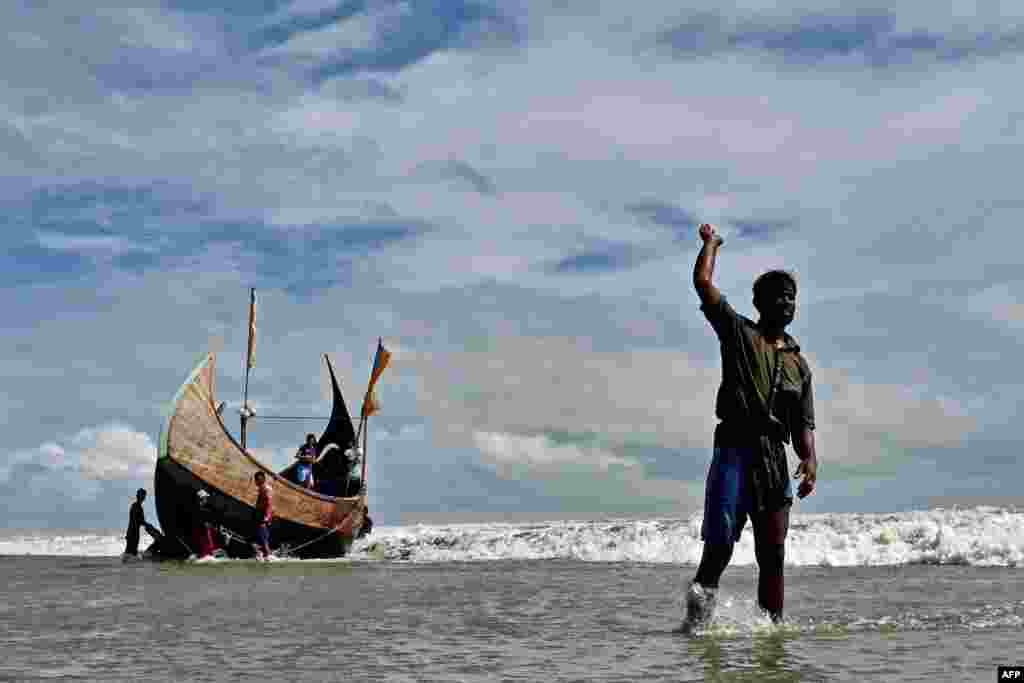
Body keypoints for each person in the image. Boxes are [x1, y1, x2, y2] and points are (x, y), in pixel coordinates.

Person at [683, 222, 818, 630]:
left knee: (773, 554)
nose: (786, 302)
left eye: (791, 297)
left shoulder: (799, 364)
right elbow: (703, 283)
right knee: (719, 547)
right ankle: (696, 627)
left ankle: (772, 631)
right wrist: (711, 244)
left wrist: (810, 460)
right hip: (734, 453)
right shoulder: (739, 334)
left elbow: (803, 423)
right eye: (778, 296)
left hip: (774, 462)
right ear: (759, 302)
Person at [124, 488, 158, 557]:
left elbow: (139, 520)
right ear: (140, 496)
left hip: (133, 532)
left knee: (131, 552)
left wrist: (146, 524)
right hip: (133, 533)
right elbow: (138, 520)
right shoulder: (136, 506)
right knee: (130, 552)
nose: (144, 497)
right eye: (143, 495)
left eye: (144, 495)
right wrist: (147, 524)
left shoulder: (137, 506)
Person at [191, 489, 220, 559]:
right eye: (206, 498)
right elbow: (202, 522)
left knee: (207, 548)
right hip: (203, 532)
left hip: (202, 531)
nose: (206, 500)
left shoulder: (199, 508)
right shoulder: (200, 509)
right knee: (208, 548)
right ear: (202, 498)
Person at [252, 471, 273, 560]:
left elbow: (269, 503)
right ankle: (264, 555)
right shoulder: (262, 488)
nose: (255, 482)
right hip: (261, 515)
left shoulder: (265, 489)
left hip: (263, 516)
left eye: (256, 480)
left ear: (260, 480)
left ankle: (268, 556)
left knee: (263, 538)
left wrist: (266, 517)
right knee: (261, 538)